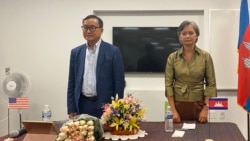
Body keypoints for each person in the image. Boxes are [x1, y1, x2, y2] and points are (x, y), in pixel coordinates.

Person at [67, 15, 125, 119]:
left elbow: (119, 82)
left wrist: (117, 108)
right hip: (82, 104)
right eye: (85, 27)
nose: (88, 31)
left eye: (92, 28)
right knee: (83, 133)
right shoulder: (76, 52)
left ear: (101, 30)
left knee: (105, 134)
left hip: (105, 105)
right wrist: (71, 108)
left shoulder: (113, 51)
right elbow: (72, 82)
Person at [165, 20, 217, 123]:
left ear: (197, 35)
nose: (187, 36)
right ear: (180, 37)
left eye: (191, 33)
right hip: (178, 105)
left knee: (200, 135)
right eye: (184, 33)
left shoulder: (205, 56)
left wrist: (205, 108)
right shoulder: (172, 57)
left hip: (199, 105)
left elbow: (211, 84)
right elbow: (168, 85)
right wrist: (173, 110)